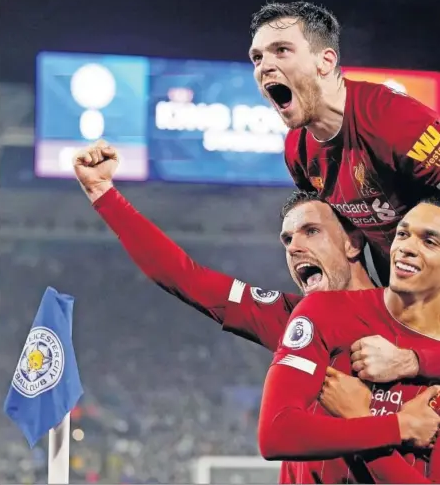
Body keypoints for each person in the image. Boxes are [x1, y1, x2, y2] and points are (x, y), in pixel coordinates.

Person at [74, 141, 440, 483]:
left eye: (311, 231)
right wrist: (102, 194)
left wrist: (414, 360)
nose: (295, 247)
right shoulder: (295, 318)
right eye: (287, 239)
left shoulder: (414, 325)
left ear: (352, 241)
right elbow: (186, 277)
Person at [249, 1, 440, 285]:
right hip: (402, 287)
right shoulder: (297, 153)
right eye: (257, 57)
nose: (265, 66)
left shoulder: (393, 119)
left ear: (325, 61)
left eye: (281, 50)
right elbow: (344, 236)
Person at [259, 198, 440, 483]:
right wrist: (396, 426)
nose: (406, 247)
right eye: (402, 234)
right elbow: (276, 433)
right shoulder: (323, 311)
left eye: (430, 241)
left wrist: (363, 418)